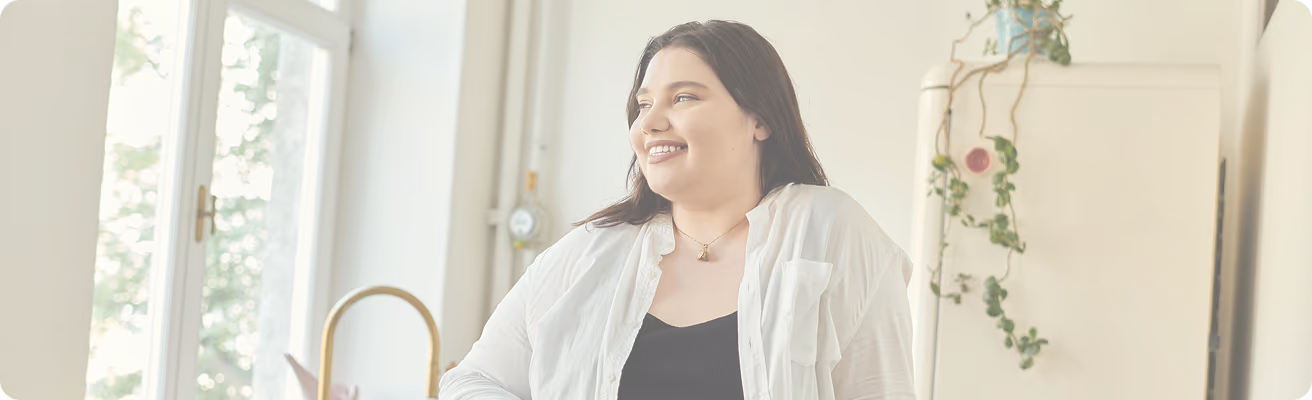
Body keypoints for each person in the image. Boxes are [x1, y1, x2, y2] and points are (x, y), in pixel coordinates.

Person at [439, 20, 914, 400]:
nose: (651, 122)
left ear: (760, 118)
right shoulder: (589, 253)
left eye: (683, 97)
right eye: (643, 105)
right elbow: (471, 380)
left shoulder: (828, 230)